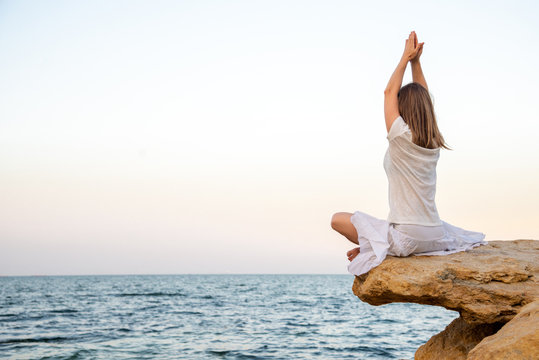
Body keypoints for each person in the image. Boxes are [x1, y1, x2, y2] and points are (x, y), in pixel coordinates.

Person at [331, 31, 487, 276]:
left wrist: (405, 58)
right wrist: (417, 62)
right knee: (375, 230)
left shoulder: (400, 137)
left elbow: (388, 93)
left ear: (402, 108)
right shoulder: (433, 140)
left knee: (337, 219)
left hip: (408, 236)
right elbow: (425, 99)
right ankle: (371, 246)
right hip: (435, 233)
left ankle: (371, 247)